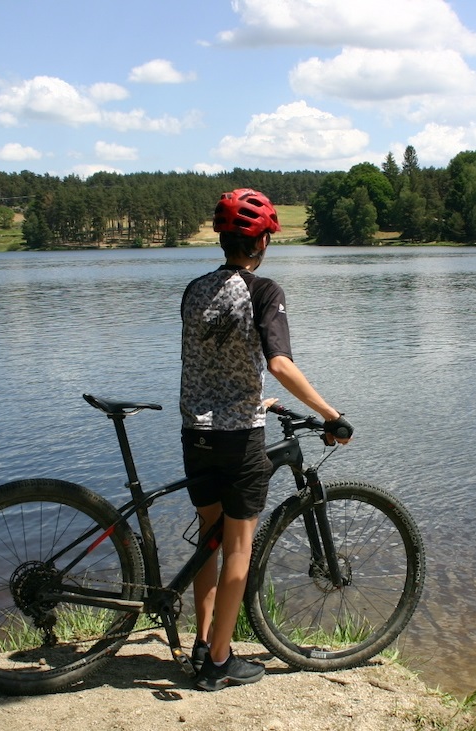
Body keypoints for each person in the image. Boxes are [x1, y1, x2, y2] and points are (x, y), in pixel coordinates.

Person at [180, 188, 352, 691]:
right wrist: (330, 413)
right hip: (238, 441)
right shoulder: (264, 291)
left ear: (222, 238)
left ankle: (202, 642)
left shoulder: (194, 289)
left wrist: (255, 398)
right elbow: (278, 363)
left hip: (196, 434)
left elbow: (211, 360)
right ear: (262, 241)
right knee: (237, 547)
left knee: (205, 543)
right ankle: (217, 662)